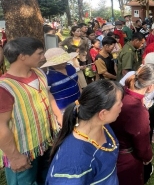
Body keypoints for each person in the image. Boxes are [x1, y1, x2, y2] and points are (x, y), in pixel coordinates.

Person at [0, 37, 61, 184]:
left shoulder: (39, 73)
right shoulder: (4, 87)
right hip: (22, 152)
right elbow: (1, 126)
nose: (43, 57)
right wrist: (14, 157)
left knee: (46, 179)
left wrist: (60, 117)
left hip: (46, 143)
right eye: (39, 53)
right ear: (22, 56)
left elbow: (48, 95)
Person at [46, 79, 123, 184]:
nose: (122, 105)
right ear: (102, 114)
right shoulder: (73, 165)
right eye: (119, 103)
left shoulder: (104, 126)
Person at [110, 64, 154, 185]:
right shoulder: (138, 111)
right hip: (125, 158)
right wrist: (148, 158)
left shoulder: (119, 93)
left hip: (109, 149)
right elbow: (142, 146)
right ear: (151, 87)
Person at [42, 48, 81, 113]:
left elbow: (76, 82)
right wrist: (58, 114)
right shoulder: (48, 75)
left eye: (64, 61)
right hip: (63, 109)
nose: (63, 63)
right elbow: (48, 95)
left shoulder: (70, 66)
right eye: (60, 62)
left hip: (78, 102)